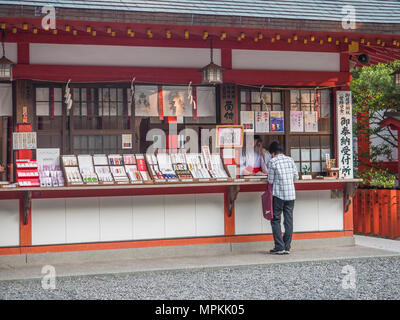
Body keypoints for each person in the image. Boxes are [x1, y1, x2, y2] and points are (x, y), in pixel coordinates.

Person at [267, 141, 299, 255]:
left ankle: (279, 247)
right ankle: (287, 246)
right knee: (288, 220)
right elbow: (296, 176)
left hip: (279, 194)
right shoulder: (290, 160)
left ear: (273, 152)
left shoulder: (272, 161)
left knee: (275, 220)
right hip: (291, 194)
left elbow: (270, 180)